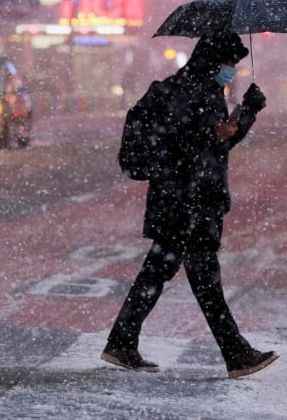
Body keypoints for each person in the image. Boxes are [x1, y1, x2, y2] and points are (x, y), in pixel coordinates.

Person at [101, 31, 277, 379]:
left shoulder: (207, 89)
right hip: (187, 200)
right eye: (228, 63)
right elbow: (183, 141)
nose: (231, 70)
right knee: (203, 278)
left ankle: (122, 341)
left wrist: (248, 114)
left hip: (189, 199)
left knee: (164, 271)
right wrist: (214, 133)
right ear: (212, 60)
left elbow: (217, 144)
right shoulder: (188, 91)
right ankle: (236, 352)